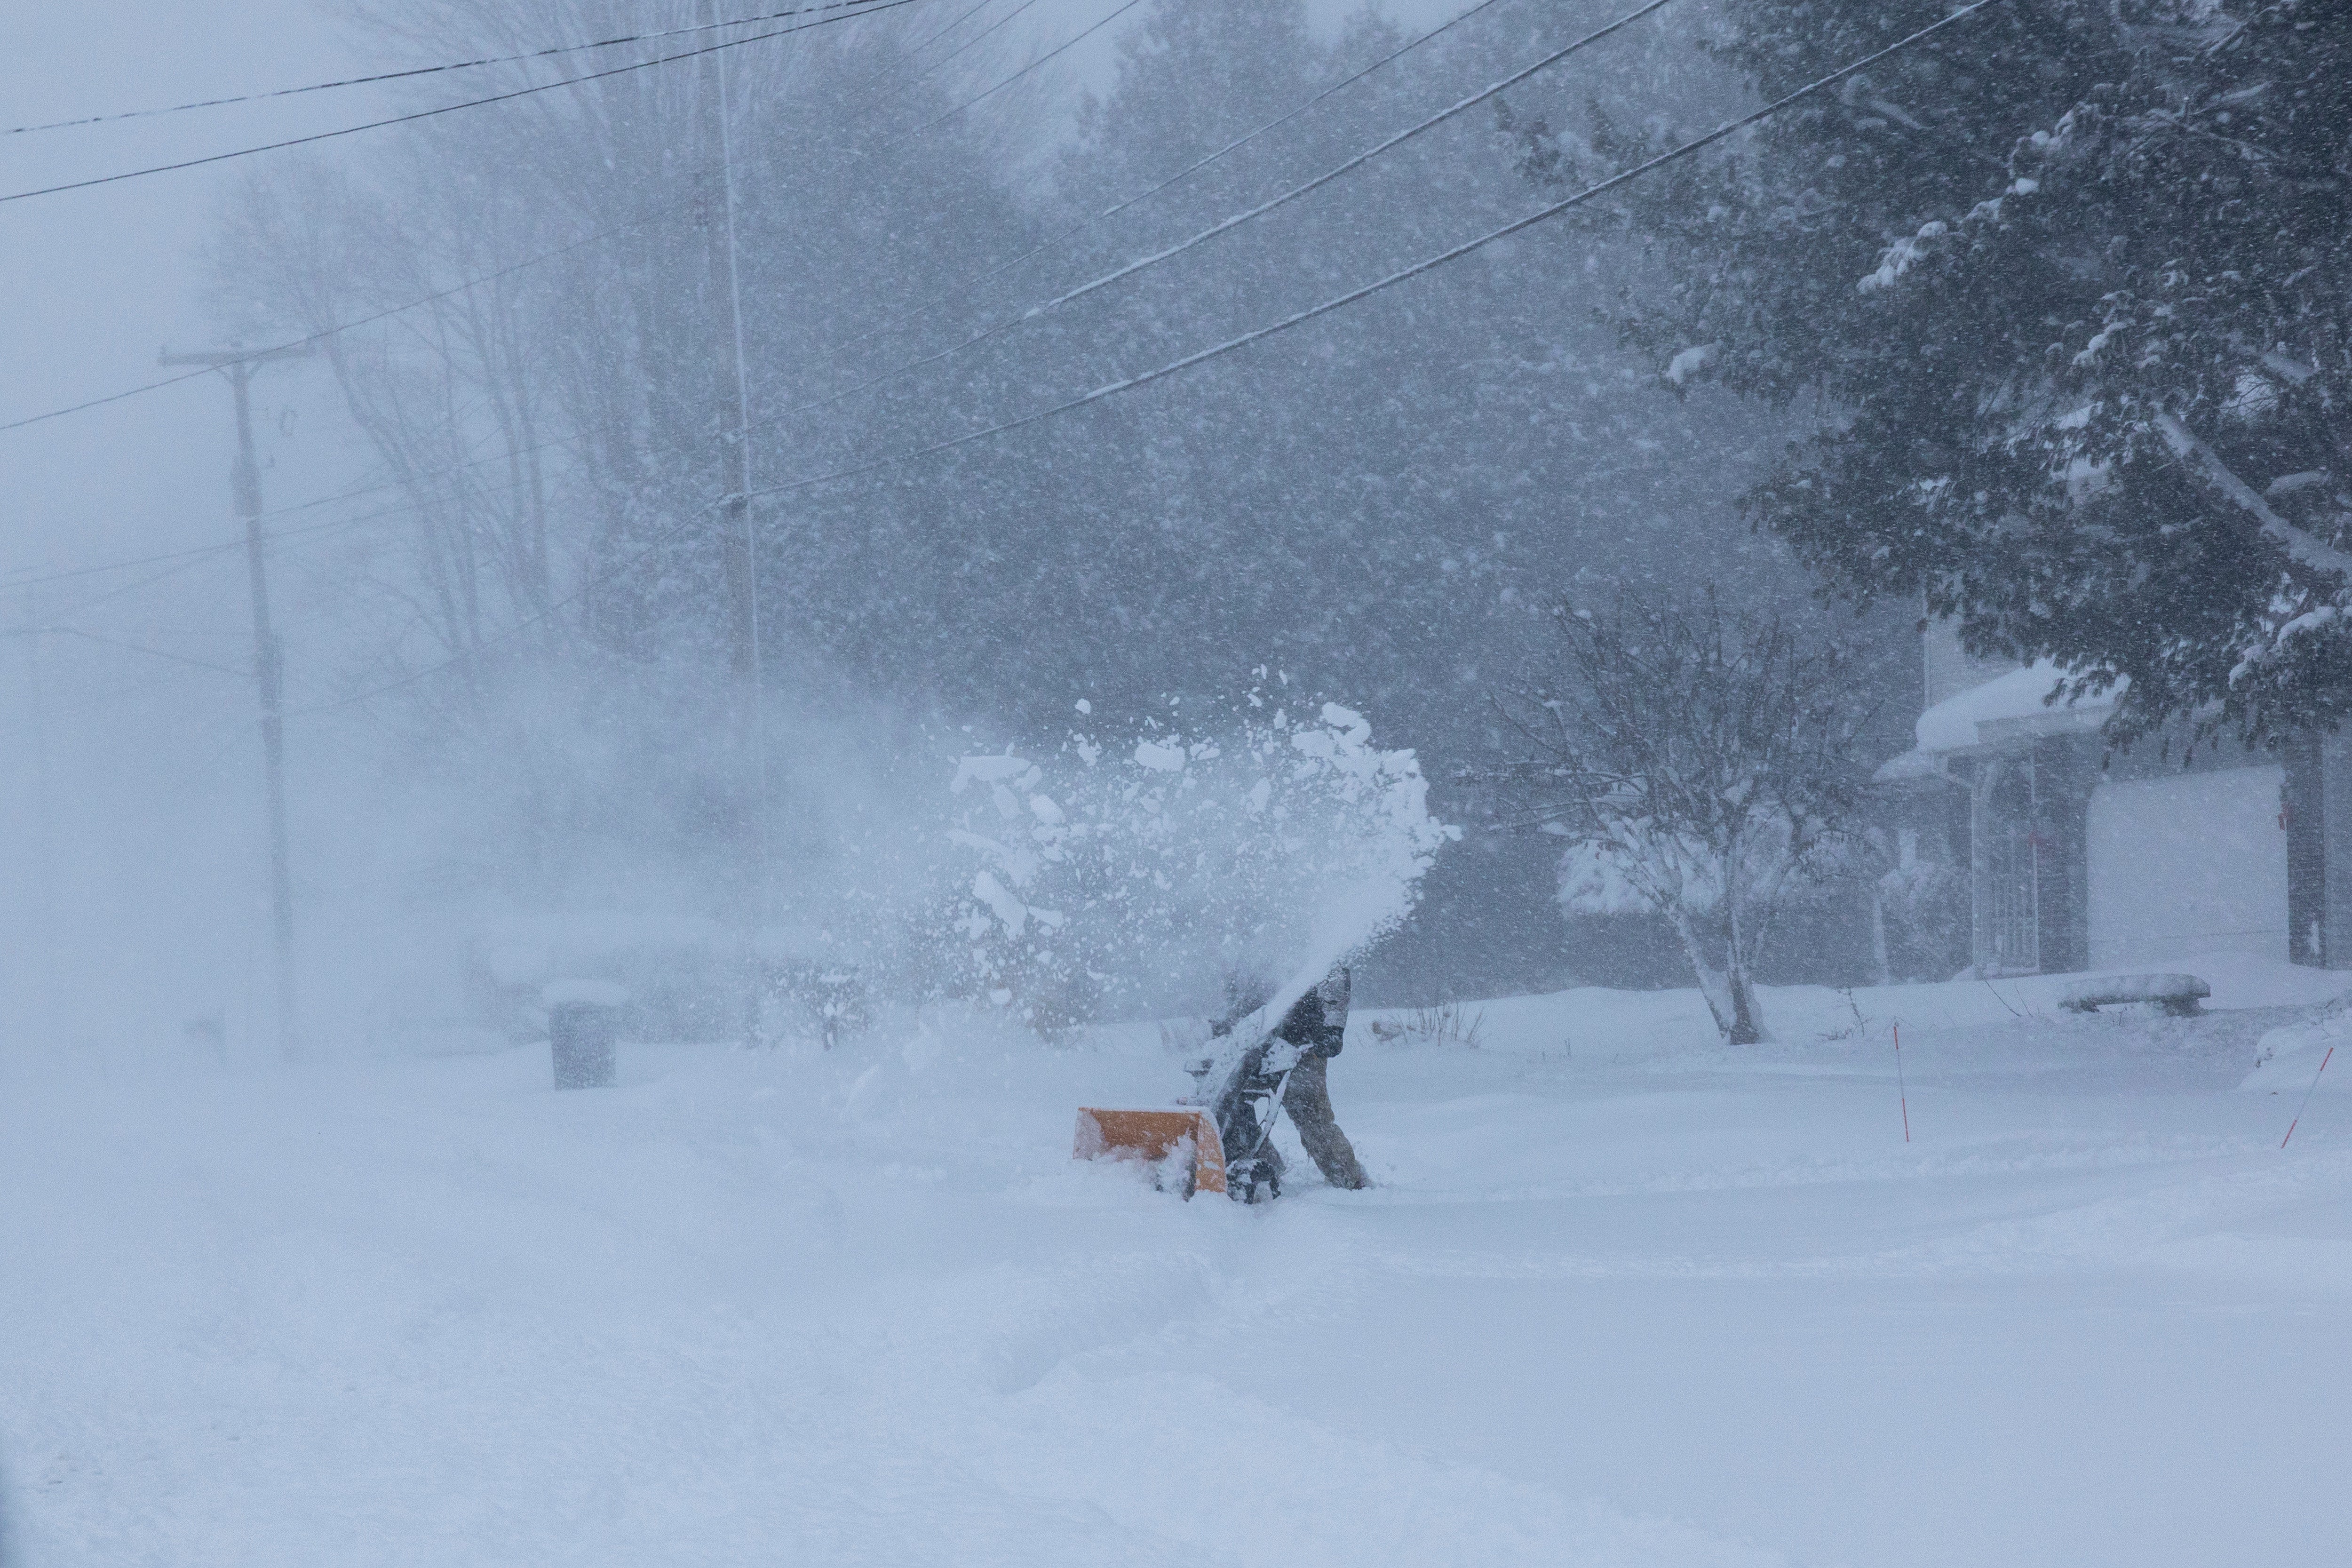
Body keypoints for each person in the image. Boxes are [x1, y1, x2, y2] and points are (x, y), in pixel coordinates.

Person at [1202, 966, 1369, 1201]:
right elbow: (1236, 996)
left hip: (1301, 1048)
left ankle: (1350, 1180)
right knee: (1232, 1104)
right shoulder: (1254, 951)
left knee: (1312, 1118)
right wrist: (1224, 1029)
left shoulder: (1323, 955)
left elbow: (1335, 999)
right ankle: (1258, 1164)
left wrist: (1332, 1033)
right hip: (1252, 1045)